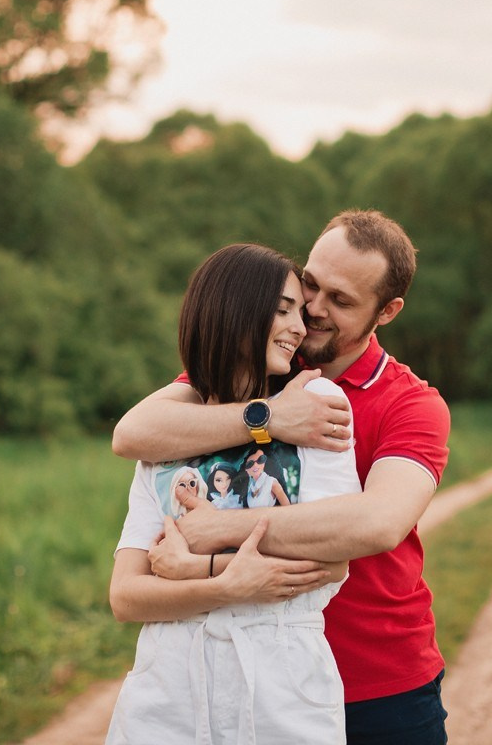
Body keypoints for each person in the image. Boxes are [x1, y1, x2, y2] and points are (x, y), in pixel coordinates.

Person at [113, 209, 452, 744]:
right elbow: (133, 434)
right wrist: (268, 418)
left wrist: (215, 535)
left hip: (377, 680)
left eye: (340, 301)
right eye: (310, 284)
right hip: (238, 673)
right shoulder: (256, 370)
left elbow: (376, 525)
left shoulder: (411, 404)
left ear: (386, 311)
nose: (312, 310)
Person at [105, 243, 363, 745]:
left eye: (299, 312)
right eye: (282, 310)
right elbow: (126, 595)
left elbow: (331, 562)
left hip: (279, 688)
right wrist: (224, 584)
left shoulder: (315, 403)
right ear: (234, 310)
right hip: (167, 692)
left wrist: (192, 567)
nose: (299, 327)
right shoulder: (169, 432)